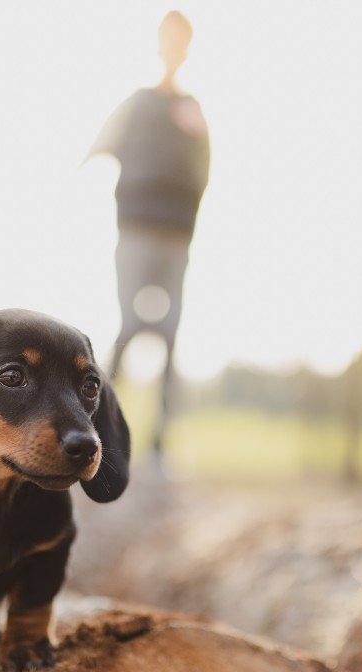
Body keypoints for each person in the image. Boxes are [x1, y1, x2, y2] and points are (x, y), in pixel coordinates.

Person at [88, 10, 210, 456]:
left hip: (177, 235)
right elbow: (100, 144)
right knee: (128, 327)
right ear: (159, 43)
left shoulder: (192, 109)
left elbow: (205, 168)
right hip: (136, 230)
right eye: (169, 39)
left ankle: (159, 445)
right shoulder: (137, 103)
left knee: (170, 335)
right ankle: (98, 430)